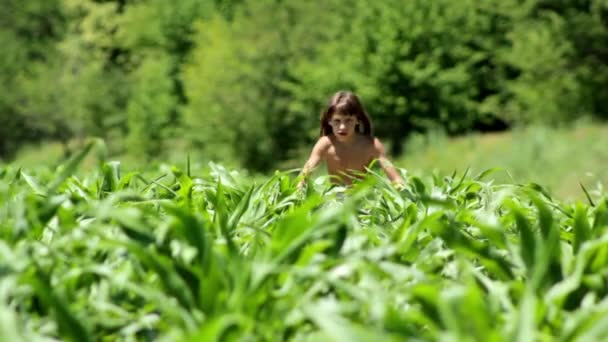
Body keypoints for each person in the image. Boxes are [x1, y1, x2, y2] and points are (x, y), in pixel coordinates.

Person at [297, 91, 404, 190]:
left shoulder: (372, 145)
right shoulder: (325, 144)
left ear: (357, 120)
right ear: (329, 120)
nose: (342, 127)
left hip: (364, 203)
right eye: (337, 121)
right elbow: (304, 175)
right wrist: (297, 191)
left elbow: (395, 178)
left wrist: (401, 189)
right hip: (335, 201)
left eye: (349, 120)